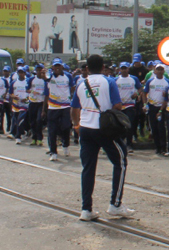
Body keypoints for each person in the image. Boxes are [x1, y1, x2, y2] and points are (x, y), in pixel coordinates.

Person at [71, 54, 135, 221]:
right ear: (103, 67)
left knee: (88, 169)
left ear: (86, 68)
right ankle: (115, 204)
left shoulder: (81, 83)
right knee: (120, 161)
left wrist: (76, 125)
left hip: (85, 128)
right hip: (103, 129)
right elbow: (118, 105)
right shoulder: (109, 81)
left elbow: (74, 108)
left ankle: (86, 209)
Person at [46, 58, 75, 161]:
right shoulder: (50, 75)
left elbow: (72, 87)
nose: (57, 68)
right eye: (55, 66)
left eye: (59, 66)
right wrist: (50, 72)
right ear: (53, 67)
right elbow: (44, 77)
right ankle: (53, 152)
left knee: (66, 127)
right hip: (53, 107)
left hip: (65, 106)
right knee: (52, 130)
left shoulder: (68, 76)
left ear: (62, 66)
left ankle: (65, 145)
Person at [143, 64, 169, 156]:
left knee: (161, 128)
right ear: (155, 70)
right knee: (154, 128)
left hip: (161, 108)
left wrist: (161, 110)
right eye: (157, 69)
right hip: (152, 107)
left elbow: (167, 97)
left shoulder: (167, 82)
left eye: (161, 69)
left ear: (164, 71)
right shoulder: (150, 81)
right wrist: (145, 104)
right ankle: (157, 147)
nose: (159, 71)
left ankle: (163, 148)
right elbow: (144, 92)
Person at [116, 62, 142, 153]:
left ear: (128, 69)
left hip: (130, 105)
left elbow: (140, 88)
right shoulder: (116, 79)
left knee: (129, 125)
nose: (124, 70)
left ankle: (129, 144)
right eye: (122, 68)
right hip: (120, 106)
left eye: (125, 68)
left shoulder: (133, 79)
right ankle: (120, 142)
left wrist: (137, 94)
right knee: (120, 125)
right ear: (120, 69)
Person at [27, 64, 48, 146]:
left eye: (40, 70)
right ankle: (34, 138)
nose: (39, 72)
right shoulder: (31, 79)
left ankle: (39, 138)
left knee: (39, 120)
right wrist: (32, 92)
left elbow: (47, 92)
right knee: (32, 121)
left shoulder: (45, 80)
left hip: (41, 102)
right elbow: (27, 89)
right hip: (33, 102)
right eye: (38, 70)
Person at [9, 67, 30, 144]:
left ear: (25, 73)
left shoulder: (28, 81)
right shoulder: (13, 82)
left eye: (22, 72)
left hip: (24, 104)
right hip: (16, 104)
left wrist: (27, 98)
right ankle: (23, 132)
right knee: (16, 121)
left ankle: (18, 137)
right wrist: (13, 96)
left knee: (20, 120)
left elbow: (31, 92)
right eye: (19, 72)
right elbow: (10, 93)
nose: (21, 74)